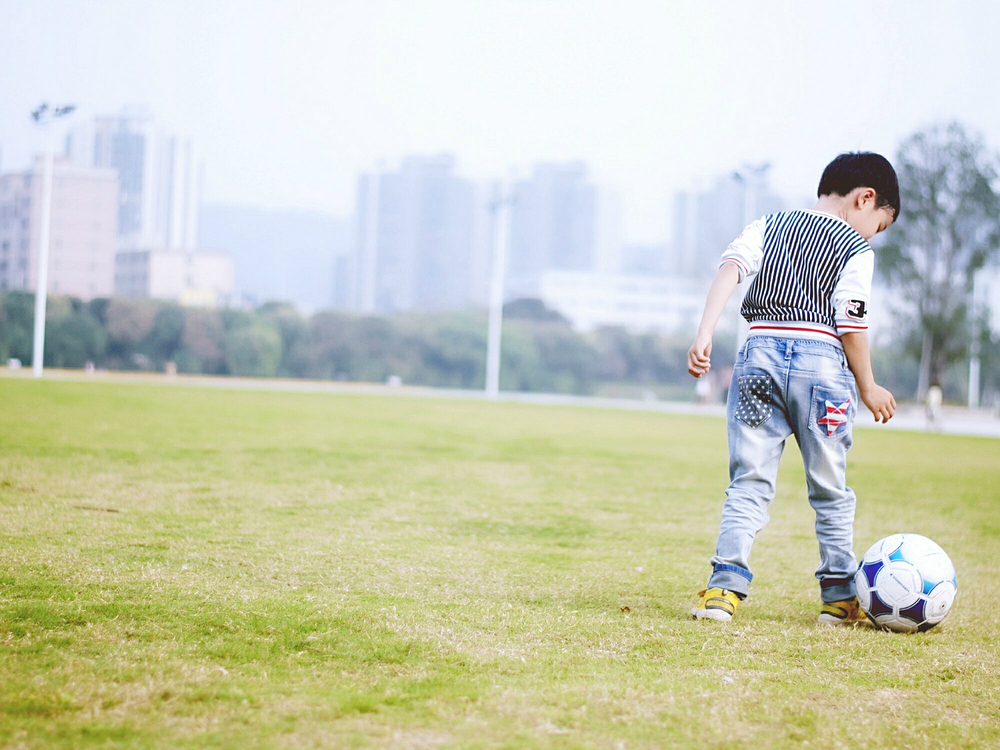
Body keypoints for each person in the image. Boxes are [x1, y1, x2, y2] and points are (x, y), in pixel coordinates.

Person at [686, 152, 899, 625]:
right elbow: (851, 320)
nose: (873, 236)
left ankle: (723, 591)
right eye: (878, 225)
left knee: (749, 482)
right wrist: (867, 384)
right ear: (865, 199)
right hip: (821, 368)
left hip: (757, 358)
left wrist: (705, 332)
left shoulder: (771, 223)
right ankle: (840, 600)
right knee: (829, 489)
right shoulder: (855, 249)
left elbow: (730, 270)